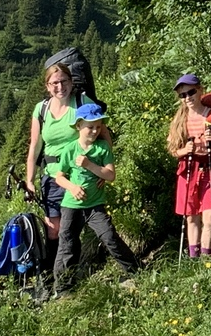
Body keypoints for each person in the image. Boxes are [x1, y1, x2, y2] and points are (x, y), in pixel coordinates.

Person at [50, 102, 140, 287]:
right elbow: (59, 177)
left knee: (109, 237)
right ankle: (63, 286)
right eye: (90, 127)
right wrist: (73, 188)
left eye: (98, 127)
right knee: (67, 243)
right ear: (78, 126)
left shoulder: (102, 148)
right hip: (71, 205)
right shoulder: (70, 149)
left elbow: (111, 175)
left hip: (95, 205)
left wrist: (90, 165)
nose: (94, 131)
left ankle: (136, 270)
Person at [23, 62, 82, 261]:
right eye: (54, 83)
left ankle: (67, 276)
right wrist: (29, 180)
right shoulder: (42, 109)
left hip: (77, 174)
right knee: (53, 229)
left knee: (68, 228)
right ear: (47, 86)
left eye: (64, 81)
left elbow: (102, 136)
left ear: (71, 82)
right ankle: (51, 274)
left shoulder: (81, 103)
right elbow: (35, 146)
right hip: (52, 177)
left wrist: (103, 169)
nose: (60, 87)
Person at [166, 73, 211, 258]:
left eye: (191, 92)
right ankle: (194, 258)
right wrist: (185, 150)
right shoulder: (179, 120)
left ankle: (207, 259)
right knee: (191, 217)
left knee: (208, 217)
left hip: (209, 170)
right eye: (183, 95)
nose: (187, 98)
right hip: (188, 171)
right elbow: (172, 149)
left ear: (200, 90)